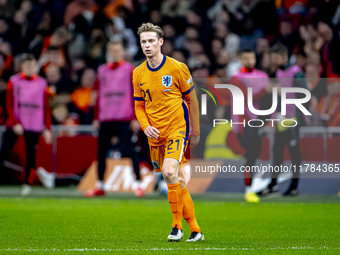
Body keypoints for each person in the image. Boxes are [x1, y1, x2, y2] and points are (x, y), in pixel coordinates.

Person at [133, 23, 203, 242]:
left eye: (151, 40)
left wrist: (195, 130)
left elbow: (192, 99)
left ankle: (176, 227)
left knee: (169, 172)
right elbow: (138, 106)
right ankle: (196, 230)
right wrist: (146, 127)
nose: (147, 45)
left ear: (161, 42)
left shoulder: (177, 68)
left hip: (177, 129)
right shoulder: (137, 73)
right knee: (179, 180)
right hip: (156, 134)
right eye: (143, 41)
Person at [83, 41, 142, 197]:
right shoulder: (102, 71)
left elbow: (137, 94)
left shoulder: (130, 70)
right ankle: (100, 186)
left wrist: (136, 117)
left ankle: (138, 184)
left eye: (117, 50)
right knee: (101, 152)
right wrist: (96, 117)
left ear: (122, 52)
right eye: (112, 50)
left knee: (129, 150)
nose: (115, 53)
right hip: (105, 118)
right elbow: (98, 94)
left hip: (124, 117)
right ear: (109, 52)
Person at [259, 44, 309, 197]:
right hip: (281, 119)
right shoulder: (280, 72)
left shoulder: (296, 73)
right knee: (277, 153)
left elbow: (304, 95)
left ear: (284, 57)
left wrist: (299, 119)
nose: (273, 61)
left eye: (275, 58)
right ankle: (273, 185)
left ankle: (294, 186)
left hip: (292, 119)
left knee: (294, 154)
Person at [0, 53, 52, 196]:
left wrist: (47, 128)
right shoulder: (14, 81)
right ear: (22, 66)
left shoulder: (42, 83)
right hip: (15, 123)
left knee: (31, 155)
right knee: (3, 152)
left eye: (33, 65)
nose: (31, 68)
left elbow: (46, 107)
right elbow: (10, 104)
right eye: (28, 65)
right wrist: (15, 122)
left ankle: (27, 184)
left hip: (34, 124)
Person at [230, 49, 270, 203]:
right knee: (250, 155)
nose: (249, 60)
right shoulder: (237, 77)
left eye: (251, 57)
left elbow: (270, 98)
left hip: (261, 120)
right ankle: (249, 189)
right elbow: (245, 97)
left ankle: (256, 186)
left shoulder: (262, 76)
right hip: (244, 121)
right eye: (246, 57)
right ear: (240, 59)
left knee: (257, 154)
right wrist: (265, 92)